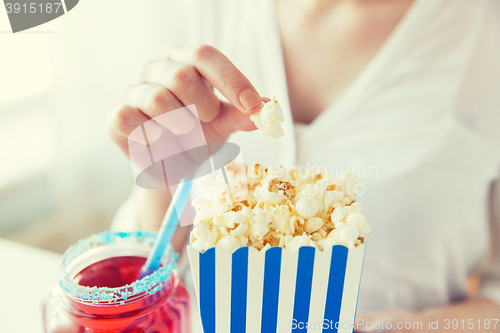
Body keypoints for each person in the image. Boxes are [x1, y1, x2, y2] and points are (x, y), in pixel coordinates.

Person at [107, 0, 500, 331]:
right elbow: (147, 259)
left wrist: (419, 326)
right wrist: (169, 181)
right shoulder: (205, 12)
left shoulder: (484, 35)